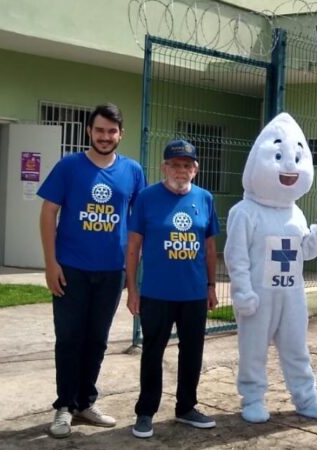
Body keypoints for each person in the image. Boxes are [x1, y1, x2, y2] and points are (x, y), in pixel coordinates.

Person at [38, 103, 146, 439]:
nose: (105, 137)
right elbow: (47, 213)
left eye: (111, 131)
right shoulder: (69, 166)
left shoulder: (133, 171)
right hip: (71, 269)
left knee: (97, 340)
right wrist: (50, 263)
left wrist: (133, 276)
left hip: (111, 271)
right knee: (69, 338)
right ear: (89, 131)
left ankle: (85, 402)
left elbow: (138, 224)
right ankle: (64, 407)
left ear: (120, 134)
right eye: (99, 130)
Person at [224, 113, 317, 423]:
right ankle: (253, 398)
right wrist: (242, 291)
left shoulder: (295, 213)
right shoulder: (244, 212)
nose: (289, 166)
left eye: (297, 158)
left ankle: (306, 397)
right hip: (259, 296)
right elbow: (236, 257)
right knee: (253, 351)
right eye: (279, 157)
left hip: (292, 294)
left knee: (297, 349)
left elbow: (306, 249)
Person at [125, 139, 220, 438]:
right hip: (157, 293)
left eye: (187, 165)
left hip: (193, 294)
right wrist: (132, 289)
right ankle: (145, 411)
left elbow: (209, 246)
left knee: (192, 352)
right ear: (164, 167)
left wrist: (211, 285)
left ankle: (186, 407)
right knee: (152, 352)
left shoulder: (205, 199)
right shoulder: (147, 198)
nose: (181, 170)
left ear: (196, 169)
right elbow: (133, 247)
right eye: (175, 165)